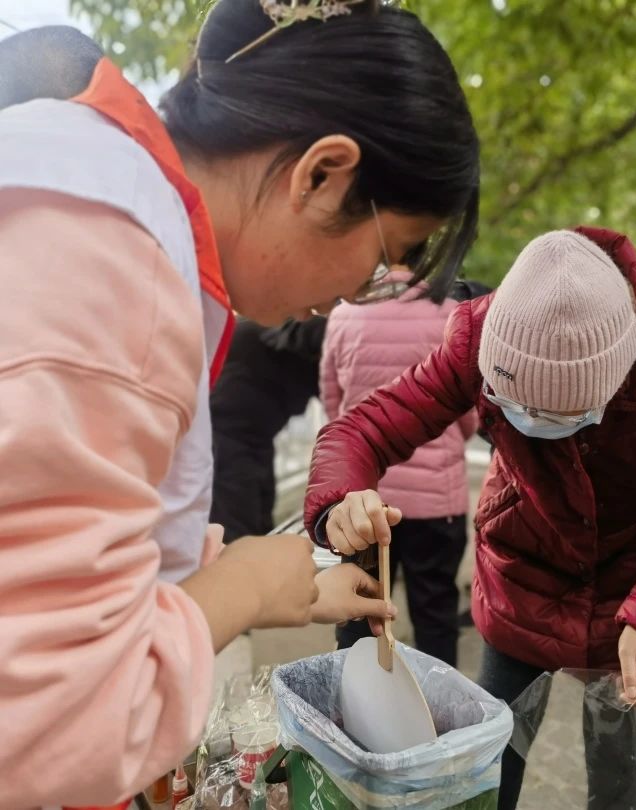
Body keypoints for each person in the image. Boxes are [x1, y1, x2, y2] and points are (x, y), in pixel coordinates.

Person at [0, 0, 479, 805]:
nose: (343, 303)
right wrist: (244, 590)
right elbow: (51, 723)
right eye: (379, 262)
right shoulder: (119, 262)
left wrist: (262, 577)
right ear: (323, 173)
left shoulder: (92, 195)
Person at [305, 228, 636, 810]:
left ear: (617, 381)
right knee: (489, 764)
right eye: (514, 405)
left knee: (622, 777)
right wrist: (342, 498)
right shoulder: (479, 332)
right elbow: (363, 428)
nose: (532, 422)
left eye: (562, 413)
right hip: (522, 574)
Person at [321, 268, 478, 666]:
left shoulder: (344, 313)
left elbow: (333, 407)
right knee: (436, 613)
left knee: (358, 609)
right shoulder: (451, 312)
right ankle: (435, 718)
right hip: (436, 500)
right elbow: (467, 414)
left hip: (362, 501)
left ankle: (353, 712)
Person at [210, 315, 327, 542]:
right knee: (238, 527)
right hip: (229, 436)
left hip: (254, 434)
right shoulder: (309, 331)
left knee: (258, 517)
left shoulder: (288, 329)